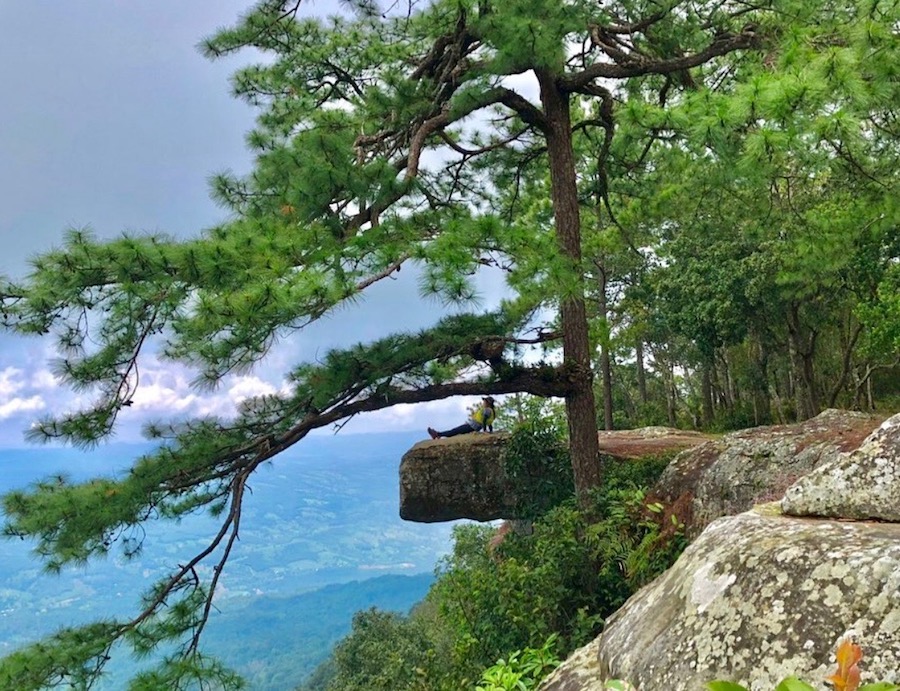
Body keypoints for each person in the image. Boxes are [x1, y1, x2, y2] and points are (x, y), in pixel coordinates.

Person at [428, 397, 496, 439]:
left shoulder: (487, 410)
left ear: (488, 403)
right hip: (474, 426)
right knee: (456, 431)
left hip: (473, 426)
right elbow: (489, 423)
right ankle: (438, 434)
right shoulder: (491, 411)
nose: (483, 403)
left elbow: (484, 420)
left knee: (455, 431)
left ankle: (437, 434)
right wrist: (491, 431)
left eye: (484, 401)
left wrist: (485, 431)